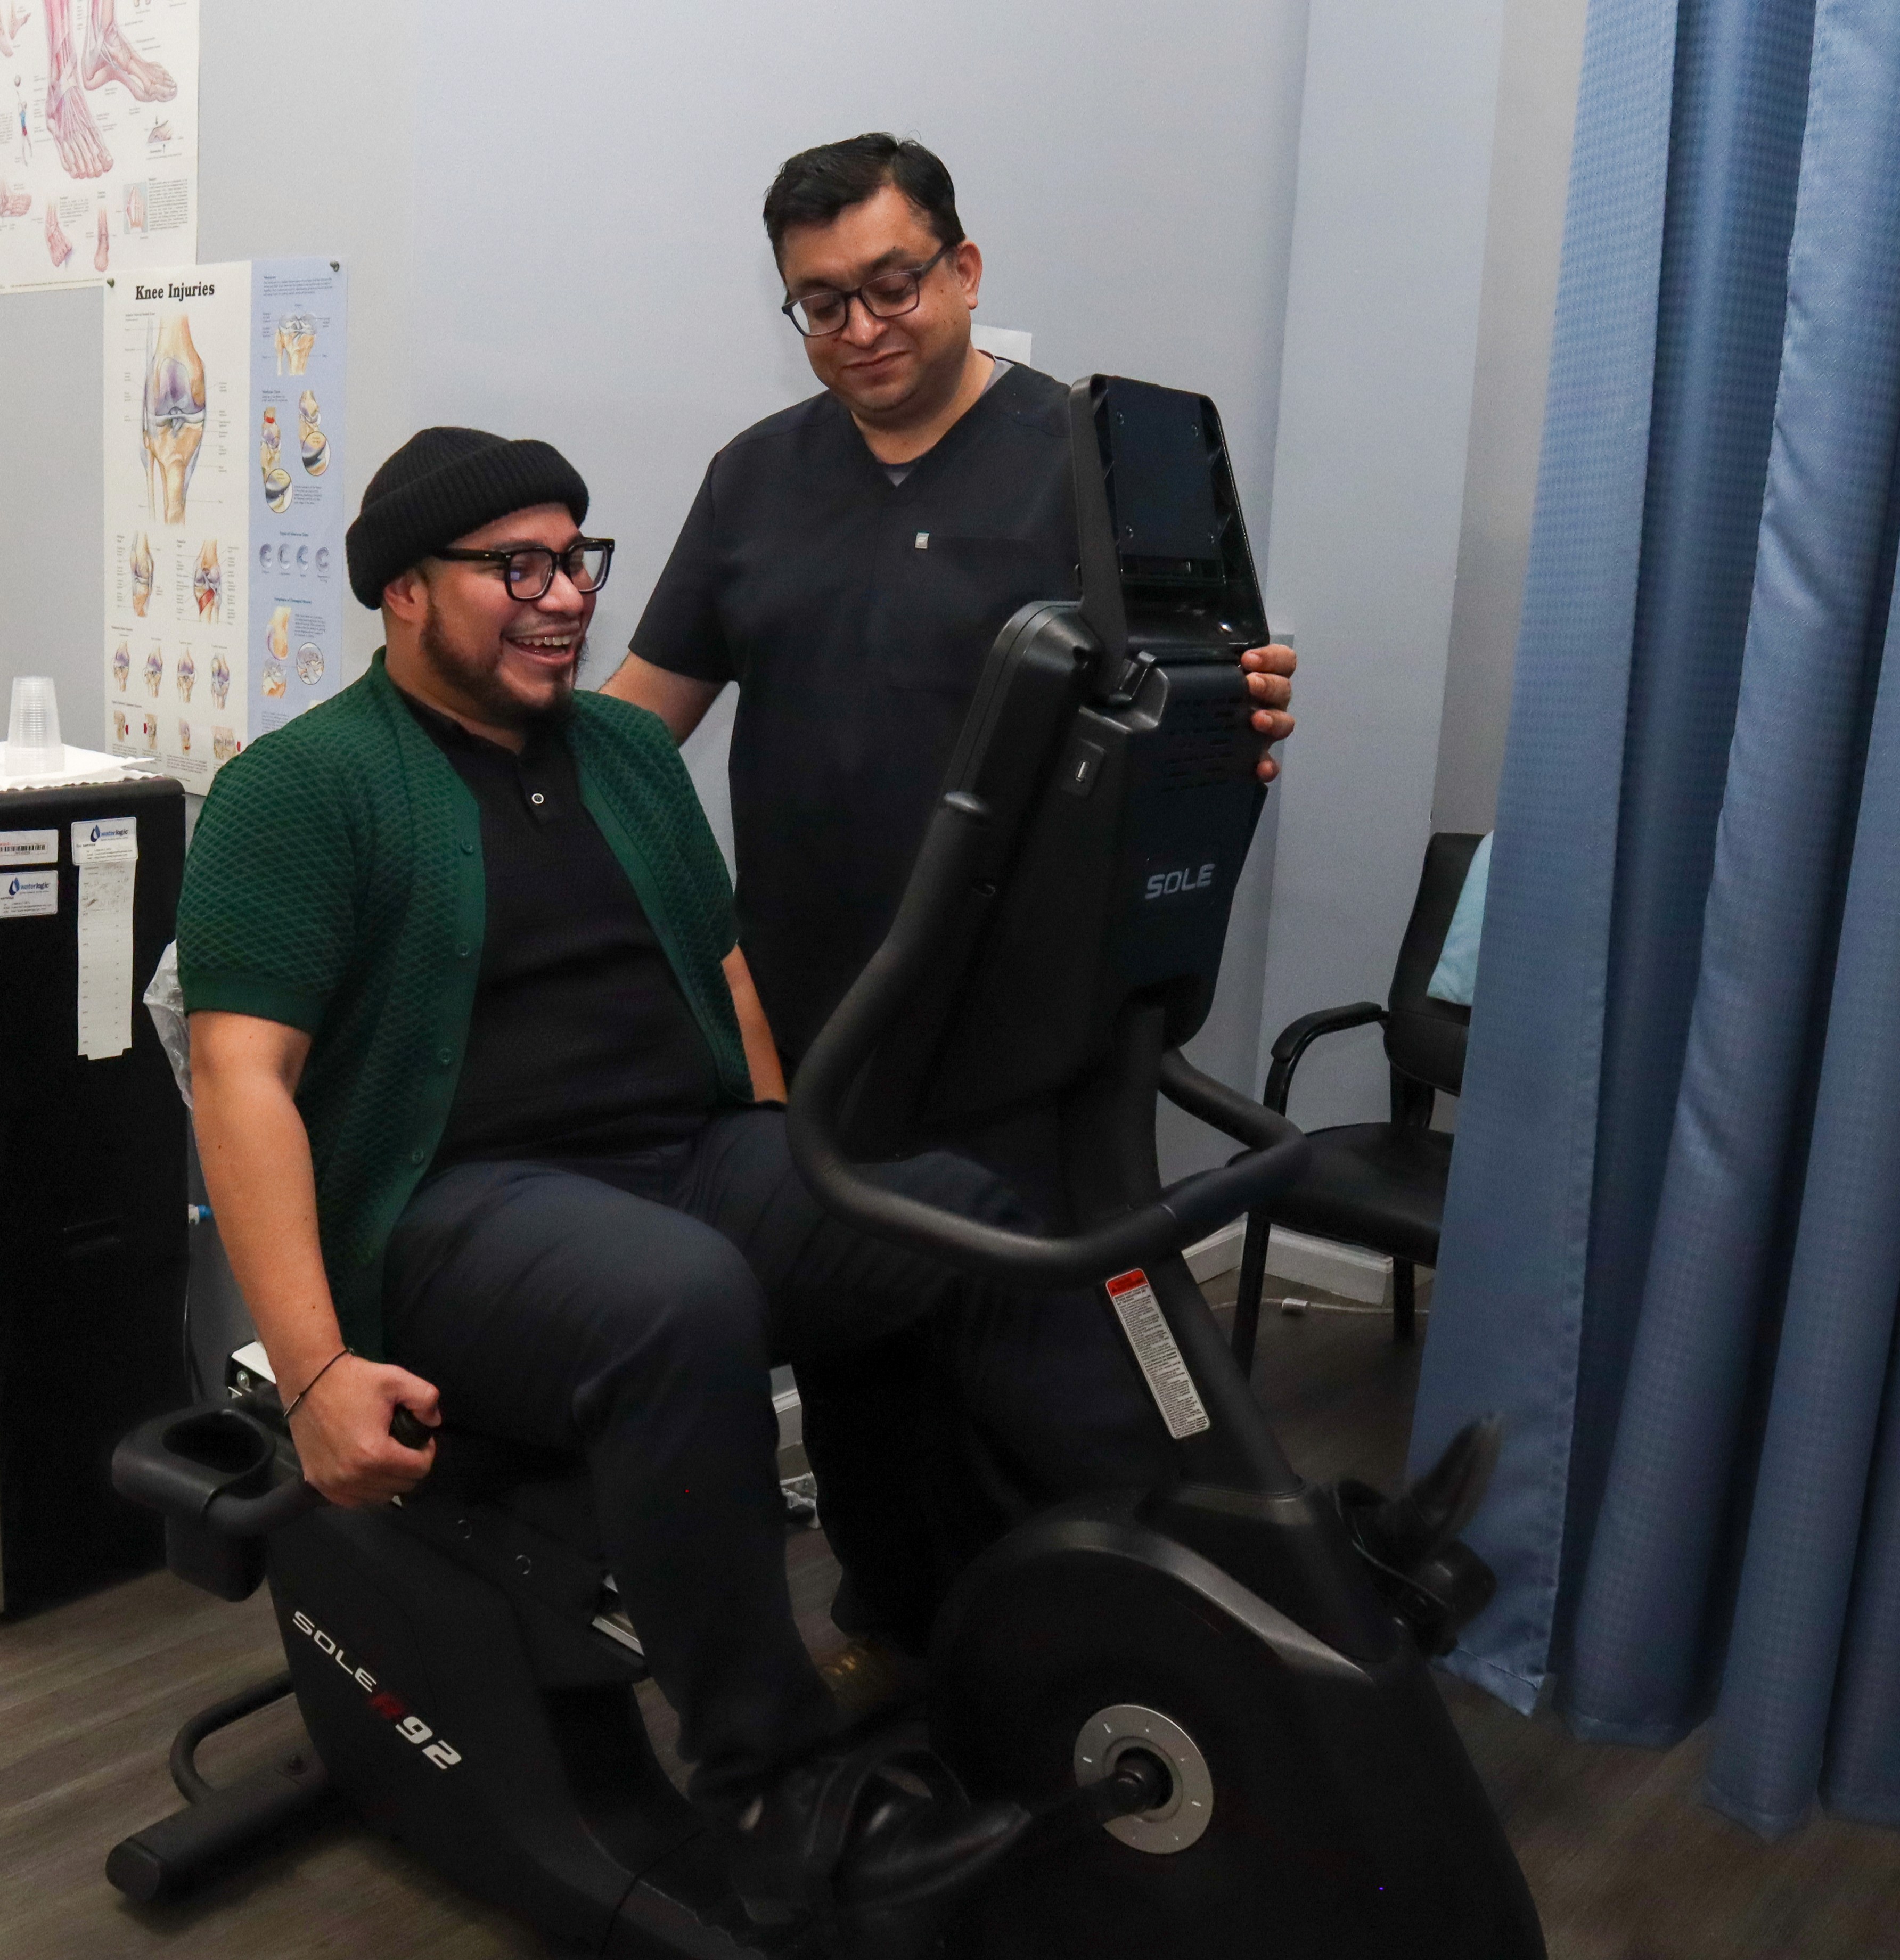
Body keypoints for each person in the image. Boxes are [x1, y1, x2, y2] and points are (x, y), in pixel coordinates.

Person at [179, 425, 1186, 1938]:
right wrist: (316, 1368)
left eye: (574, 558)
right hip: (454, 1204)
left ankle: (1167, 1580)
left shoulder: (632, 758)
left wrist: (800, 1172)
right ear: (400, 590)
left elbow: (725, 983)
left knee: (957, 1217)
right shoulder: (302, 786)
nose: (563, 596)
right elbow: (237, 1078)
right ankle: (777, 1791)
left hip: (686, 1156)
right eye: (511, 564)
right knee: (678, 1301)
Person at [599, 134, 1298, 1673]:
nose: (862, 329)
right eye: (820, 303)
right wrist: (443, 774)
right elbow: (634, 730)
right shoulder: (752, 479)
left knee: (1050, 1355)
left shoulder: (1082, 460)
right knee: (865, 1355)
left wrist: (1237, 703)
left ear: (963, 270)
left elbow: (1210, 700)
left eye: (891, 285)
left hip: (1026, 1016)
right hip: (822, 1017)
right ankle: (902, 1624)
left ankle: (1099, 1644)